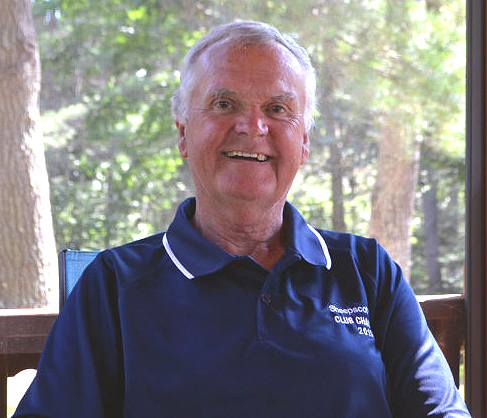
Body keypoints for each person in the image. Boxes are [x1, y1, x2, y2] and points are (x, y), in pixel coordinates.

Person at [14, 20, 470, 417]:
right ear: (183, 133)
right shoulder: (114, 285)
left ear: (304, 142)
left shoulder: (365, 269)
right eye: (224, 104)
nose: (253, 126)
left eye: (277, 109)